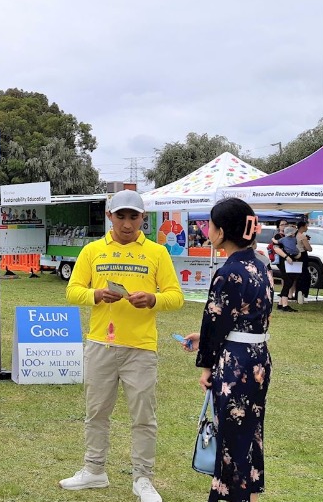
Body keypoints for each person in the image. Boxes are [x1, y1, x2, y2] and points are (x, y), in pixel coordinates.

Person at [61, 190, 184, 502]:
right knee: (96, 412)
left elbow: (176, 296)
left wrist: (154, 299)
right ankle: (94, 470)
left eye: (134, 217)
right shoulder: (92, 251)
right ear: (109, 217)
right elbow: (73, 291)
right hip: (100, 343)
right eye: (121, 216)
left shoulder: (157, 253)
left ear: (143, 218)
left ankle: (143, 478)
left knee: (143, 417)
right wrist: (96, 295)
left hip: (141, 348)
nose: (127, 224)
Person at [181, 198, 272, 502]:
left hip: (236, 364)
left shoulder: (229, 271)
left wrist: (207, 366)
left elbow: (214, 321)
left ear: (219, 232)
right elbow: (251, 317)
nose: (207, 230)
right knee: (249, 435)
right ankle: (249, 495)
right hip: (258, 358)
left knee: (231, 437)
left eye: (210, 224)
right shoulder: (261, 265)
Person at [273, 225, 302, 313]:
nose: (284, 226)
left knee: (290, 280)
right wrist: (287, 257)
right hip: (284, 261)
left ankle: (280, 303)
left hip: (291, 261)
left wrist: (297, 254)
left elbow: (295, 247)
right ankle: (284, 305)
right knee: (288, 281)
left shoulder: (291, 238)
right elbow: (276, 248)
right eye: (282, 224)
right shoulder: (278, 236)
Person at [294, 221, 312, 303]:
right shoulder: (302, 236)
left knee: (299, 276)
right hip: (303, 256)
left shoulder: (295, 235)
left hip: (296, 256)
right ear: (302, 227)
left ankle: (298, 294)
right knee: (305, 276)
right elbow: (309, 248)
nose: (307, 228)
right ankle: (302, 294)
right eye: (306, 226)